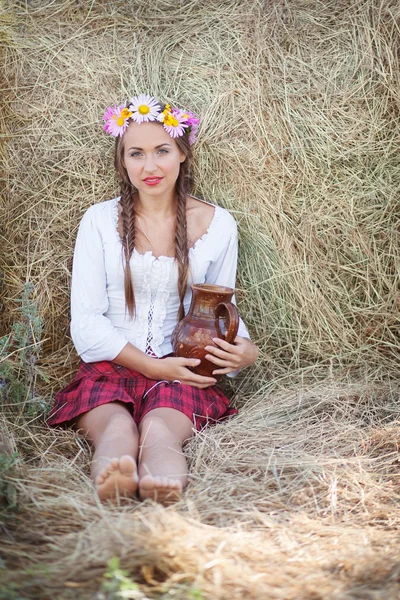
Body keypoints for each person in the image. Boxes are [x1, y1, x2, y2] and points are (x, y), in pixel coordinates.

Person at [47, 94, 259, 504]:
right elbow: (87, 324)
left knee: (161, 430)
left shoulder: (218, 225)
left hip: (183, 367)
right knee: (118, 429)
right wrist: (153, 367)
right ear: (122, 161)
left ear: (182, 153)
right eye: (136, 154)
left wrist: (243, 349)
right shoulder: (99, 221)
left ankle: (163, 484)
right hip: (112, 366)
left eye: (162, 151)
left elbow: (219, 309)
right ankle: (115, 480)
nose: (150, 166)